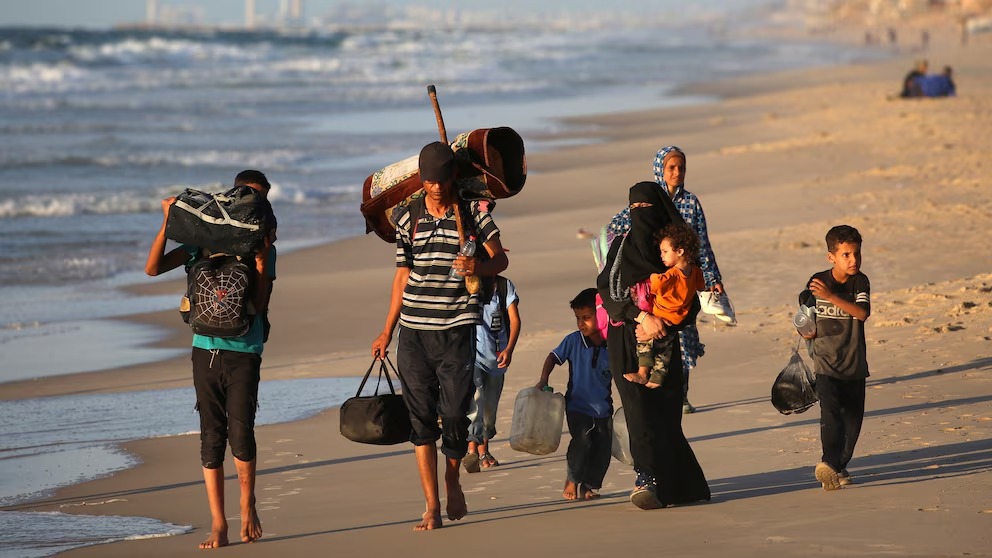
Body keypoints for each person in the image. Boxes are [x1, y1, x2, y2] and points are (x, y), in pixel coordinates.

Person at [370, 141, 508, 531]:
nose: (435, 187)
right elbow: (402, 275)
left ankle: (452, 479)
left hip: (456, 330)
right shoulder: (407, 217)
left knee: (454, 415)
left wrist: (478, 266)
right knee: (421, 422)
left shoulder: (473, 213)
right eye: (429, 181)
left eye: (441, 180)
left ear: (452, 177)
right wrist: (386, 330)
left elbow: (501, 258)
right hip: (414, 333)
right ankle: (431, 504)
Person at [144, 169, 276, 549]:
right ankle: (219, 522)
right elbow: (152, 268)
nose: (254, 205)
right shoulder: (202, 241)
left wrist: (261, 265)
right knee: (211, 438)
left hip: (245, 351)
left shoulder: (263, 245)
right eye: (249, 196)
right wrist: (167, 223)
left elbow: (260, 305)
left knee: (242, 434)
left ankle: (247, 504)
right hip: (205, 348)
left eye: (260, 199)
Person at [598, 181, 710, 510]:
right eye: (634, 208)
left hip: (665, 341)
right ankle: (646, 478)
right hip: (625, 338)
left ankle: (678, 485)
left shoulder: (672, 251)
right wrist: (642, 317)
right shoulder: (622, 247)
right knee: (637, 408)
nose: (640, 214)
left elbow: (691, 302)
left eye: (646, 207)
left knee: (666, 412)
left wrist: (665, 323)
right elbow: (607, 291)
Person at [653, 146, 725, 413]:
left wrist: (712, 277)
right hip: (658, 283)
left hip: (686, 281)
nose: (677, 172)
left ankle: (681, 396)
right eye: (671, 167)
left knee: (684, 335)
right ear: (660, 170)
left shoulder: (691, 202)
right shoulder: (651, 200)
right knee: (657, 337)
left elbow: (702, 243)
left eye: (681, 167)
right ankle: (658, 394)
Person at [800, 225, 871, 491]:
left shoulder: (860, 282)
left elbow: (862, 313)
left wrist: (830, 297)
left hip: (854, 364)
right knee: (830, 413)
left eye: (857, 253)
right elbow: (804, 317)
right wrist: (806, 330)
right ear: (831, 257)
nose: (853, 260)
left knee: (852, 424)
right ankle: (828, 463)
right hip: (825, 362)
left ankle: (839, 466)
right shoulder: (817, 281)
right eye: (846, 255)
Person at [535, 288, 611, 501]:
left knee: (603, 447)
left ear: (602, 315)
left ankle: (589, 485)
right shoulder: (574, 341)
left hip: (604, 408)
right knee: (582, 440)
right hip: (577, 405)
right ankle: (573, 478)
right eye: (578, 318)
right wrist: (544, 379)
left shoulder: (612, 344)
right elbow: (552, 357)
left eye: (586, 318)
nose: (581, 323)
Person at [624, 222, 705, 389]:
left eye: (665, 252)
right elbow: (701, 286)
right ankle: (657, 377)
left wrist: (650, 274)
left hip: (661, 315)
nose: (661, 255)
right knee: (665, 348)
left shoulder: (672, 274)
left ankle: (643, 373)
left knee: (645, 341)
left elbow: (656, 284)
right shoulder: (694, 271)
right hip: (677, 318)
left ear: (680, 252)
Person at [463, 274, 521, 472]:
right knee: (476, 400)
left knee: (490, 407)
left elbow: (515, 320)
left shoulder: (504, 286)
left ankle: (484, 450)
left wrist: (509, 349)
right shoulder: (468, 283)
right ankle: (472, 450)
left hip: (497, 357)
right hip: (473, 355)